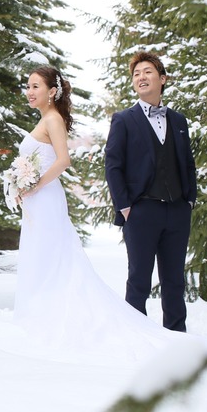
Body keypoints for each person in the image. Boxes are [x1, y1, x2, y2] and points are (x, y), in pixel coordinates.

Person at [13, 65, 178, 356]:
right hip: (37, 201)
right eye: (28, 86)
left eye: (35, 86)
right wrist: (19, 184)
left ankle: (53, 317)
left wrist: (34, 184)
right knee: (39, 255)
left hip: (47, 198)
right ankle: (39, 313)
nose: (29, 92)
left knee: (54, 258)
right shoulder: (45, 119)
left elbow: (63, 161)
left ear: (52, 91)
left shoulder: (53, 119)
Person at [104, 51, 198, 333]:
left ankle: (177, 338)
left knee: (174, 281)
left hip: (177, 210)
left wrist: (189, 199)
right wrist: (125, 206)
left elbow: (188, 163)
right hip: (141, 210)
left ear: (162, 79)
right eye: (136, 74)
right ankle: (136, 338)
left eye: (148, 72)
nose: (141, 77)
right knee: (139, 281)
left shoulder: (179, 121)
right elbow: (113, 165)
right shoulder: (124, 119)